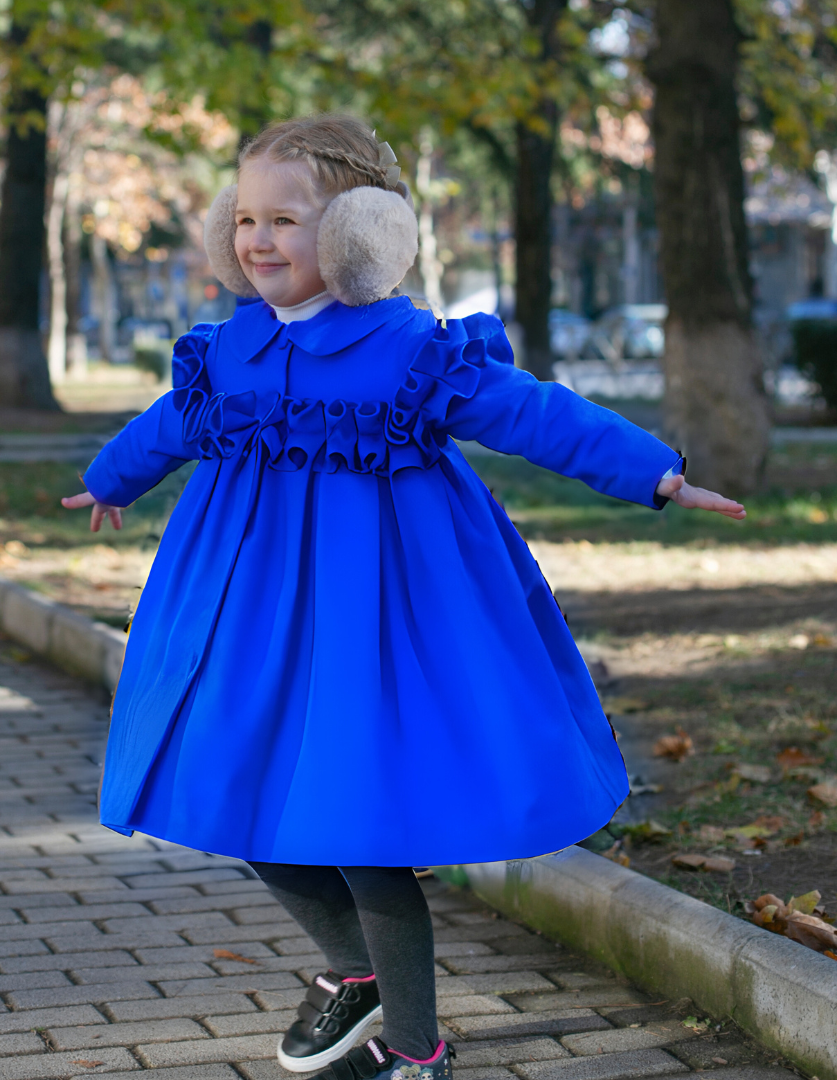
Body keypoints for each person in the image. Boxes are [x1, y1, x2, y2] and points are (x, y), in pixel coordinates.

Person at [63, 115, 745, 1080]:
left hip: (367, 621)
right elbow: (167, 426)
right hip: (245, 617)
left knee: (357, 821)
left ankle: (413, 1046)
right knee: (224, 783)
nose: (259, 240)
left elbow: (530, 411)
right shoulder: (227, 351)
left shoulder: (412, 350)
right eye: (245, 217)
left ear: (360, 232)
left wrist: (656, 475)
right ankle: (354, 973)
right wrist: (110, 480)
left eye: (286, 220)